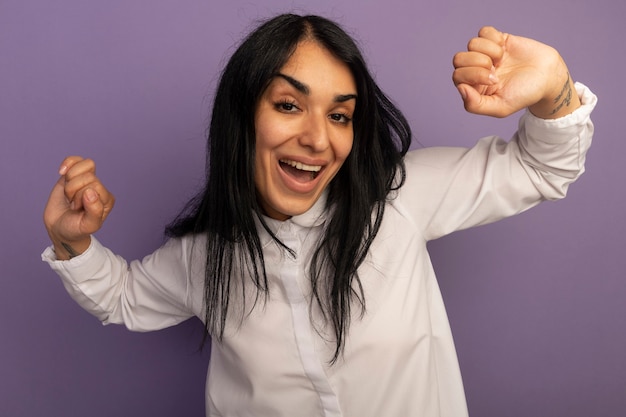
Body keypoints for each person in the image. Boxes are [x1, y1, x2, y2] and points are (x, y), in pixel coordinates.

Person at [42, 13, 596, 417]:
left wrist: (552, 87)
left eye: (339, 115)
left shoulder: (398, 199)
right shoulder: (205, 254)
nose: (316, 138)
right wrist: (70, 242)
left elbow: (539, 168)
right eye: (288, 105)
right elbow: (122, 297)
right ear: (243, 118)